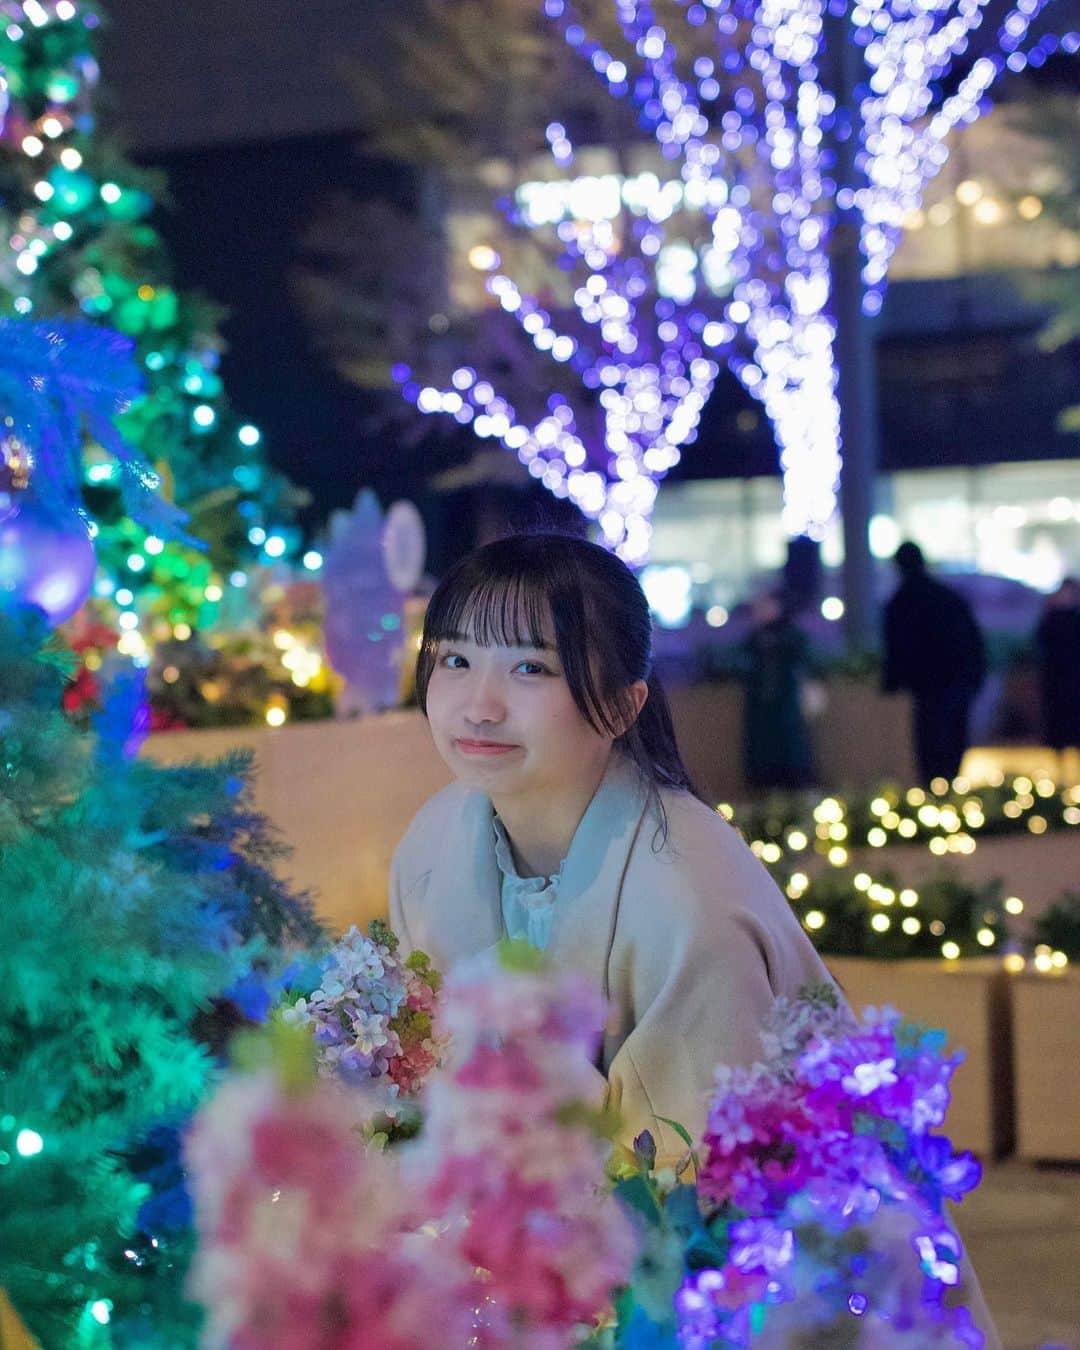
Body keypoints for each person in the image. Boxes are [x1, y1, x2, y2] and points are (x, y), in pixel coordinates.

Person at [388, 532, 834, 1161]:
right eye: (455, 661)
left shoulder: (686, 895)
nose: (478, 708)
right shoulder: (432, 844)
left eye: (530, 668)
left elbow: (699, 1178)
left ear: (624, 707)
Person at [882, 541, 986, 785]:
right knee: (952, 737)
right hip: (956, 679)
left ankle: (936, 791)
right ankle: (947, 786)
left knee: (931, 740)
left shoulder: (903, 601)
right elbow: (972, 640)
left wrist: (892, 681)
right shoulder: (946, 597)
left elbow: (898, 647)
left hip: (929, 684)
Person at [741, 589, 817, 791]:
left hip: (784, 709)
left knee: (788, 752)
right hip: (763, 711)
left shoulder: (790, 637)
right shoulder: (756, 639)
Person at [1034, 576, 1080, 768]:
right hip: (1059, 682)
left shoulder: (1055, 618)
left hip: (1068, 682)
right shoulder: (1053, 618)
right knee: (1060, 727)